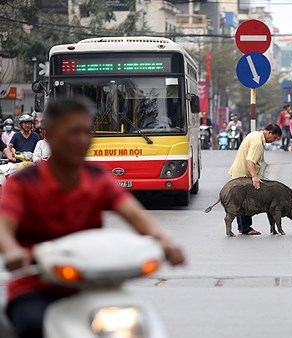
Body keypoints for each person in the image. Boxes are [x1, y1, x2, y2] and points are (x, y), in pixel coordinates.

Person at [0, 98, 185, 338]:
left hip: (93, 284)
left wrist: (164, 240)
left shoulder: (98, 177)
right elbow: (4, 225)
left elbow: (135, 215)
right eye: (73, 132)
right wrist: (13, 251)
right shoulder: (23, 183)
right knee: (32, 325)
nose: (82, 140)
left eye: (87, 132)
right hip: (36, 287)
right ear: (50, 135)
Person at [228, 124, 282, 235]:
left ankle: (242, 227)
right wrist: (254, 177)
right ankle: (246, 228)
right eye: (274, 138)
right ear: (269, 133)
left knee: (241, 201)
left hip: (239, 172)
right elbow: (250, 161)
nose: (273, 141)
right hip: (243, 174)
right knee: (246, 201)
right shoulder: (258, 142)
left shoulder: (255, 134)